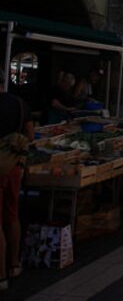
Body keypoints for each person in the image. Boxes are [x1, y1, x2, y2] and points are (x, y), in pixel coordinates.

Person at [0, 72, 34, 291]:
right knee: (12, 216)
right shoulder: (20, 104)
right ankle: (14, 264)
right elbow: (30, 136)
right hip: (13, 167)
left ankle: (1, 277)